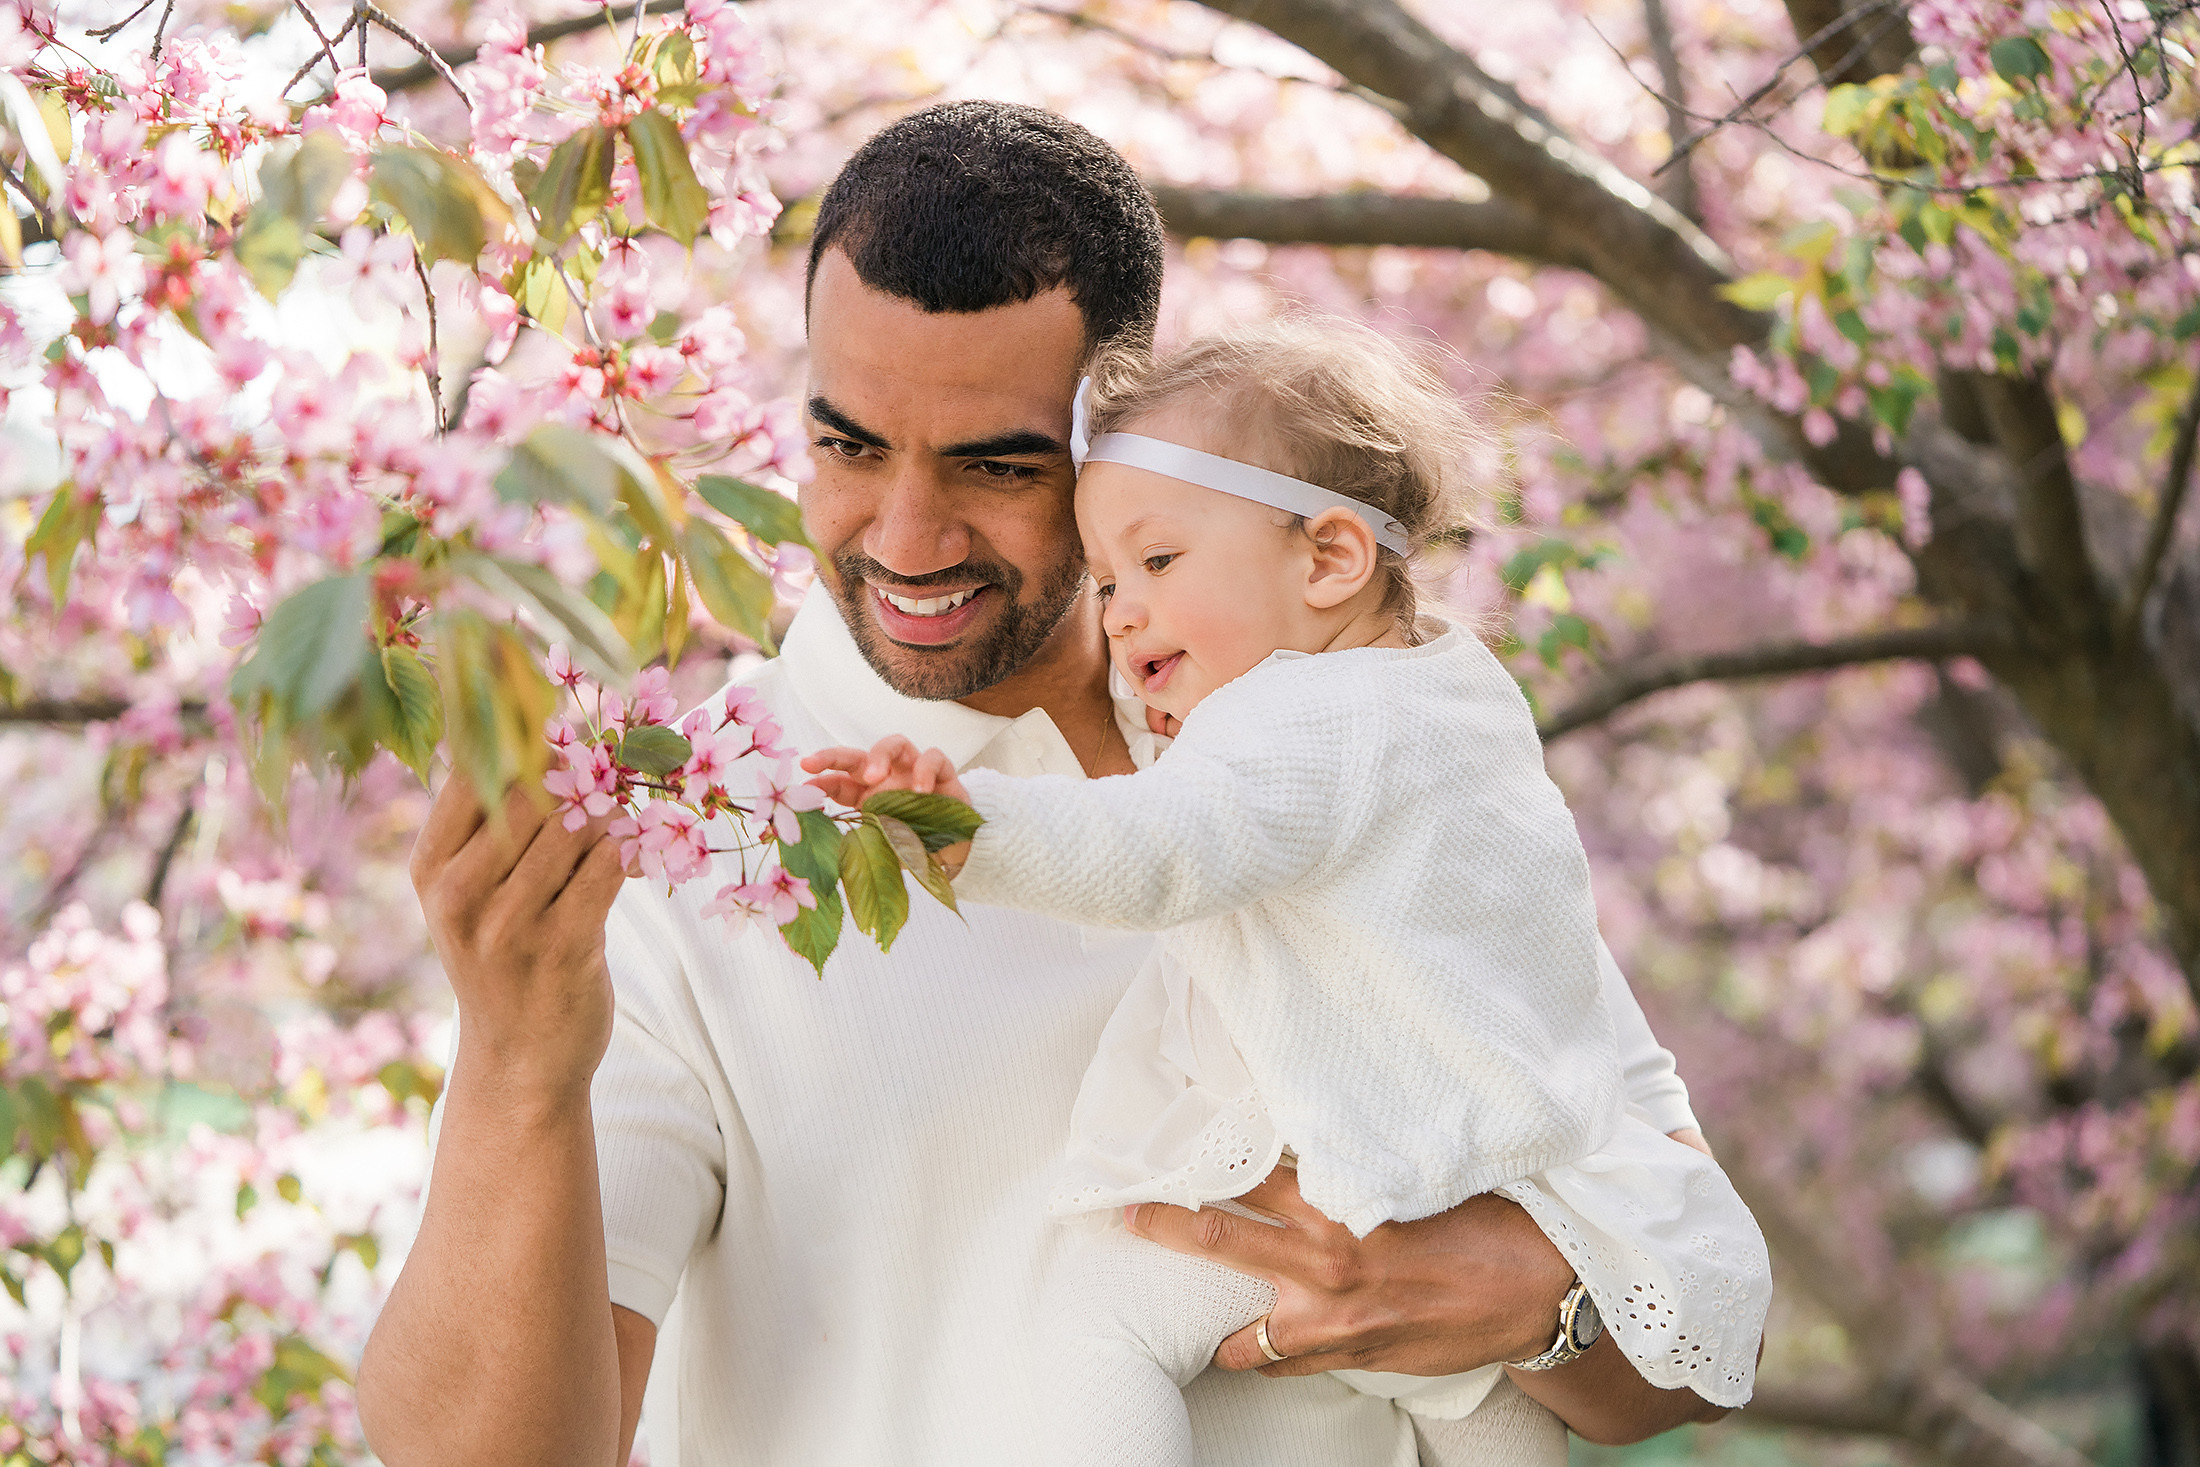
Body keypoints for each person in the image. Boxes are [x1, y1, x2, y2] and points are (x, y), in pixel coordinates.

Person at [358, 101, 1757, 1467]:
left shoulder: (1342, 735)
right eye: (849, 444)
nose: (905, 536)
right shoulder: (711, 842)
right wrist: (519, 1062)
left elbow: (1671, 1345)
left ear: (1121, 434)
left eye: (994, 463)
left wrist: (1544, 1302)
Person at [805, 321, 1772, 1466]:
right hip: (1525, 1197)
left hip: (1347, 1188)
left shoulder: (1290, 723)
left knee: (1085, 1319)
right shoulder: (1458, 701)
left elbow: (1162, 850)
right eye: (1107, 579)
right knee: (1488, 1420)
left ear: (1327, 560)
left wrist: (972, 823)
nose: (1117, 614)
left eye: (1156, 565)